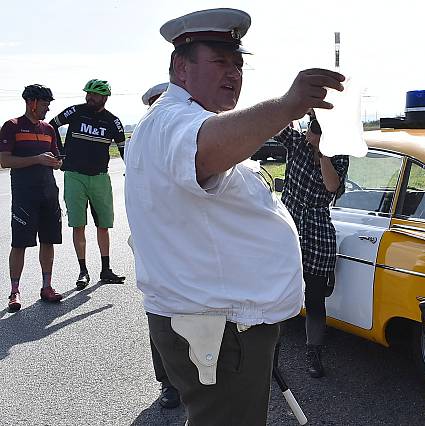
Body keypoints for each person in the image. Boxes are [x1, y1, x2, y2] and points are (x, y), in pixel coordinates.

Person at [124, 8, 344, 425]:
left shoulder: (183, 119)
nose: (234, 72)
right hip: (219, 328)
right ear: (180, 67)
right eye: (220, 61)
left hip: (222, 324)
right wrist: (287, 106)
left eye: (239, 63)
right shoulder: (173, 119)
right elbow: (204, 149)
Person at [274, 112, 349, 378]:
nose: (311, 133)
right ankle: (271, 355)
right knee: (279, 293)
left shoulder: (338, 155)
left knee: (315, 297)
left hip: (318, 226)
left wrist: (323, 151)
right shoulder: (296, 142)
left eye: (317, 130)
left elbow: (331, 186)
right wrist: (299, 108)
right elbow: (275, 121)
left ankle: (313, 354)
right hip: (289, 223)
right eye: (312, 128)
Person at [50, 79, 126, 289]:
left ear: (105, 98)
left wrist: (135, 172)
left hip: (100, 176)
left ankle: (106, 269)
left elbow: (123, 148)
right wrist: (61, 152)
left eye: (94, 95)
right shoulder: (75, 111)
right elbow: (51, 126)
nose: (89, 97)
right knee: (78, 225)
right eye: (88, 93)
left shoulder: (113, 121)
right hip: (74, 175)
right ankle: (83, 271)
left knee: (103, 225)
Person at [136, 81, 181, 409]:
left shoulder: (188, 135)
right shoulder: (143, 142)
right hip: (157, 243)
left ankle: (194, 378)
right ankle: (168, 382)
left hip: (190, 245)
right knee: (162, 311)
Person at [0, 85, 64, 311]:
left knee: (49, 240)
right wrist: (37, 158)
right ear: (32, 102)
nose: (48, 108)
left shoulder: (49, 129)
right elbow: (5, 161)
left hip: (49, 193)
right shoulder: (12, 126)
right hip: (25, 195)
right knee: (19, 244)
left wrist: (57, 163)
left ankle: (47, 286)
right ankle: (14, 292)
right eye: (45, 104)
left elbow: (57, 160)